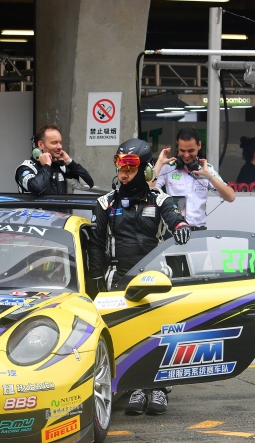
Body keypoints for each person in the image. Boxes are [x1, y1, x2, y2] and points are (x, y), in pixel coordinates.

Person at [88, 138, 191, 415]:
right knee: (124, 334)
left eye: (130, 169)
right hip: (117, 279)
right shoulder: (105, 203)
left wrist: (181, 225)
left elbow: (174, 216)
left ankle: (158, 388)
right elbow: (96, 245)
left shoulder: (161, 199)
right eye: (120, 168)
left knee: (158, 333)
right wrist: (97, 281)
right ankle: (133, 386)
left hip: (154, 280)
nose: (123, 174)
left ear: (145, 171)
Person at [153, 128, 235, 230]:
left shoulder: (207, 169)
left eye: (191, 150)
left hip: (198, 232)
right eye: (182, 151)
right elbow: (148, 190)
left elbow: (230, 197)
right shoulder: (168, 167)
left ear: (199, 145)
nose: (186, 155)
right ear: (177, 145)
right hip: (173, 230)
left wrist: (209, 176)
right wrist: (159, 162)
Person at [15, 124, 93, 195]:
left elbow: (87, 185)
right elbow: (36, 187)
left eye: (60, 142)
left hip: (60, 211)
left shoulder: (60, 168)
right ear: (41, 145)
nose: (59, 147)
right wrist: (46, 166)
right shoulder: (26, 168)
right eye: (54, 143)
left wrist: (70, 162)